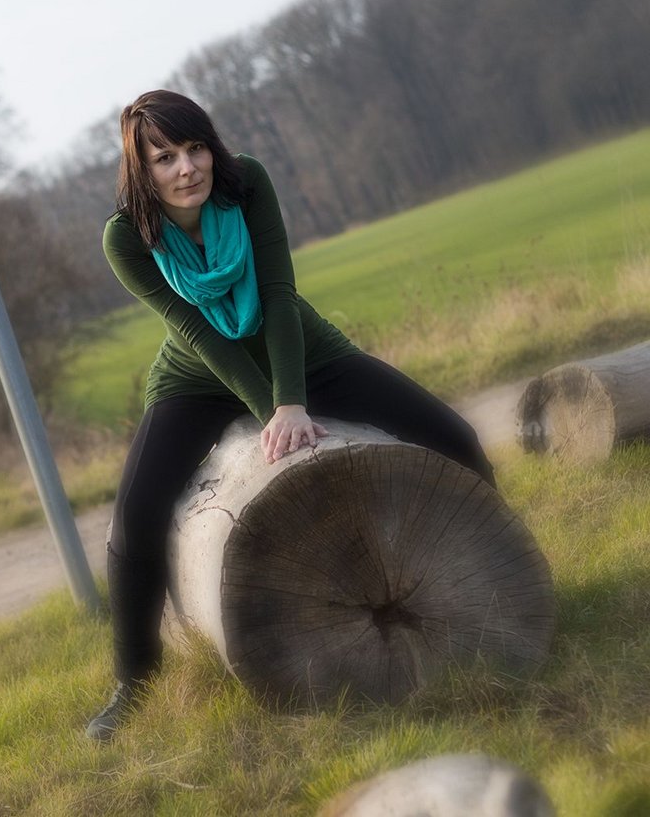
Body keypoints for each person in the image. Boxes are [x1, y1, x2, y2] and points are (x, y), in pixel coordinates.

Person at [86, 89, 496, 741]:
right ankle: (135, 684)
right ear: (142, 169)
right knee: (134, 522)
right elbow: (198, 333)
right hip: (196, 376)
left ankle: (490, 579)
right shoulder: (125, 236)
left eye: (195, 148)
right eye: (165, 158)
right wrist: (268, 412)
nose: (187, 168)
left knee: (457, 438)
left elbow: (278, 297)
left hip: (303, 351)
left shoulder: (246, 184)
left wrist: (289, 402)